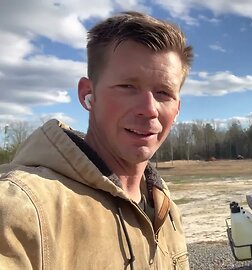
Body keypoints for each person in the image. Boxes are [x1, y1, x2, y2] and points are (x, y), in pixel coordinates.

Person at [0, 11, 193, 270]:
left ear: (177, 108)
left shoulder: (164, 208)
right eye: (127, 87)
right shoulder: (21, 209)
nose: (149, 109)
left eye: (163, 93)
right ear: (87, 94)